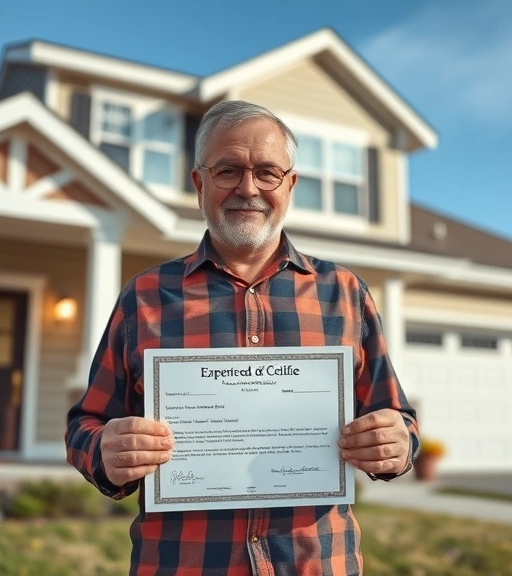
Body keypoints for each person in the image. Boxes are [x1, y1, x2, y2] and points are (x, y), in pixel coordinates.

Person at [65, 100, 420, 575]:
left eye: (267, 172)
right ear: (199, 184)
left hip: (316, 563)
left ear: (290, 186)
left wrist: (397, 444)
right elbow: (85, 424)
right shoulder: (145, 296)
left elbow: (398, 417)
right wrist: (105, 451)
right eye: (228, 169)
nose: (248, 188)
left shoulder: (345, 294)